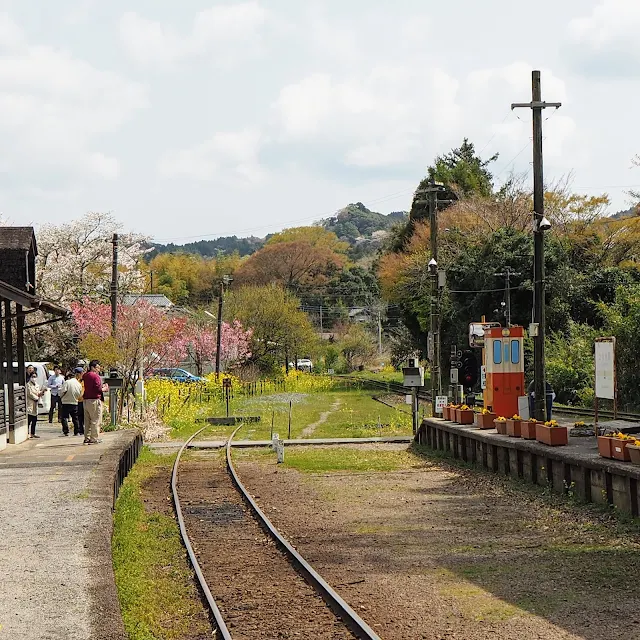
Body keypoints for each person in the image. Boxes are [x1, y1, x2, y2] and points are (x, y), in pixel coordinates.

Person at [83, 360, 105, 445]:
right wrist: (105, 388)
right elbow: (98, 389)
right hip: (94, 400)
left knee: (87, 420)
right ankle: (94, 438)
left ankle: (87, 437)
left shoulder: (85, 376)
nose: (98, 369)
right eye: (97, 368)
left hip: (86, 400)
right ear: (93, 367)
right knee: (96, 420)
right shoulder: (95, 376)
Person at [60, 370, 83, 436]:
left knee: (64, 417)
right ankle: (77, 431)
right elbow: (80, 394)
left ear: (69, 377)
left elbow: (63, 391)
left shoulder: (67, 382)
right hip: (75, 402)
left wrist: (61, 397)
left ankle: (66, 431)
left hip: (66, 402)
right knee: (75, 418)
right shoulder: (78, 384)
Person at [26, 371, 45, 439]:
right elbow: (30, 394)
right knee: (29, 420)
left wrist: (42, 392)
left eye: (35, 377)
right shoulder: (28, 385)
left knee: (34, 420)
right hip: (30, 403)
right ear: (30, 377)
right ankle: (27, 433)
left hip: (35, 404)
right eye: (32, 377)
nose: (34, 378)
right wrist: (37, 397)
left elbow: (38, 392)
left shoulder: (37, 385)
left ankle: (33, 433)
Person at [74, 367, 85, 437]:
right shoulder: (74, 381)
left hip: (84, 400)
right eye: (81, 373)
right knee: (79, 416)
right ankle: (80, 429)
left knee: (84, 416)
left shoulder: (84, 381)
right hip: (77, 401)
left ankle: (83, 429)